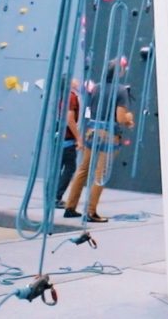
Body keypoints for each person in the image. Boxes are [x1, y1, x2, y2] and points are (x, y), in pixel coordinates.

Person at [63, 60, 135, 223]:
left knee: (83, 170)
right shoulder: (121, 90)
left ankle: (70, 206)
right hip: (108, 135)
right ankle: (90, 211)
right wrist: (129, 118)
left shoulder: (96, 88)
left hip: (91, 132)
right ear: (119, 73)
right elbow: (120, 118)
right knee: (100, 174)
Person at [55, 79, 81, 209]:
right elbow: (70, 119)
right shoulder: (70, 97)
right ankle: (56, 196)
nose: (76, 81)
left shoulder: (61, 96)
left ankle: (53, 196)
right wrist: (79, 138)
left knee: (57, 168)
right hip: (67, 139)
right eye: (73, 79)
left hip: (60, 138)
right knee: (69, 168)